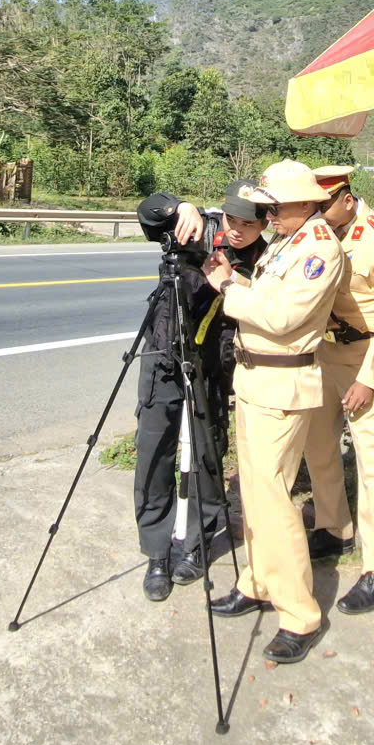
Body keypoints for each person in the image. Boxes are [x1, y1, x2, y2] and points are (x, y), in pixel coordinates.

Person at [201, 159, 344, 664]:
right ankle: (258, 581)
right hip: (256, 379)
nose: (269, 216)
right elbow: (263, 295)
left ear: (305, 203)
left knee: (275, 500)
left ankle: (299, 612)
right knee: (256, 495)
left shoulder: (318, 249)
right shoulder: (289, 240)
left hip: (281, 384)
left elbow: (281, 316)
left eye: (275, 208)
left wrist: (227, 287)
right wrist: (235, 284)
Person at [132, 181, 268, 602]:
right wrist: (179, 206)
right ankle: (157, 553)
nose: (238, 230)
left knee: (207, 456)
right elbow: (148, 212)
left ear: (264, 224)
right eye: (232, 220)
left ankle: (196, 543)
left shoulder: (267, 258)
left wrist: (233, 280)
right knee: (154, 450)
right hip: (165, 352)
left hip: (211, 362)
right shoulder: (198, 227)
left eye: (249, 224)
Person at [302, 165, 374, 613]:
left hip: (363, 358)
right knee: (317, 444)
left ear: (347, 199)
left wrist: (369, 378)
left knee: (372, 458)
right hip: (323, 352)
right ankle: (334, 529)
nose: (317, 213)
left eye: (323, 205)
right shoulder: (318, 231)